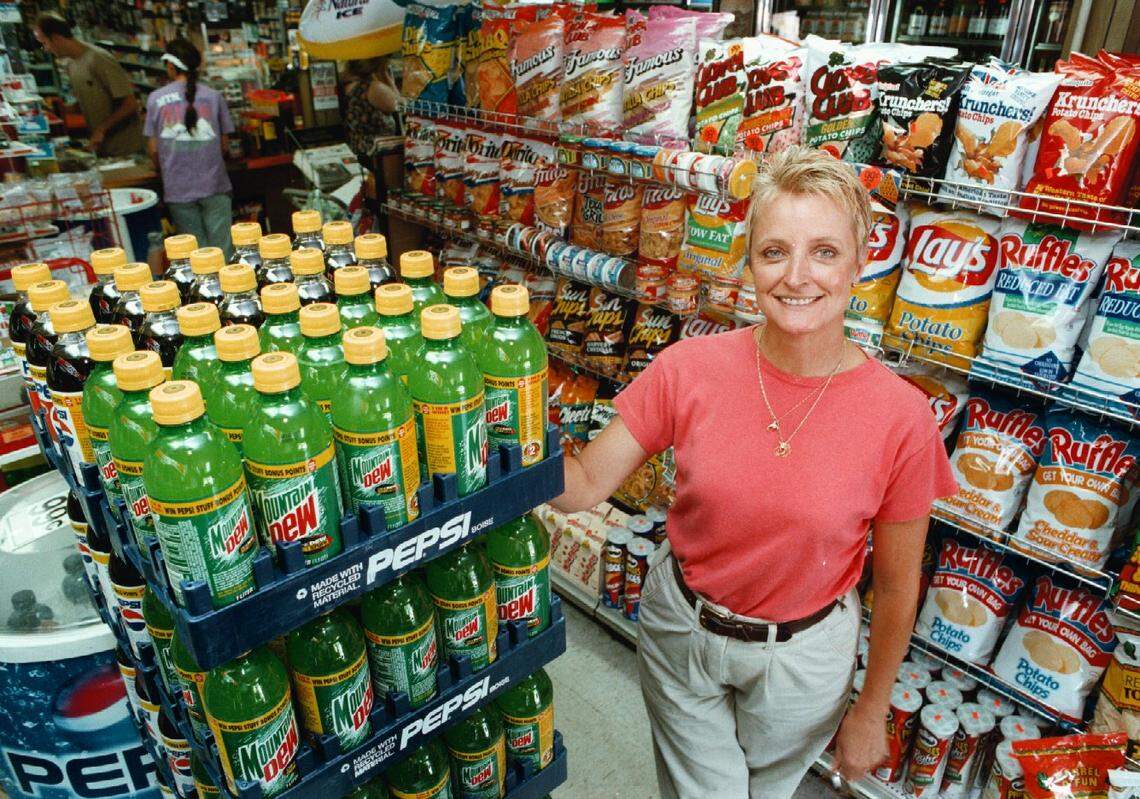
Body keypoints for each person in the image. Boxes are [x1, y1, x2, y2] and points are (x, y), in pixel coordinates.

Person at [553, 146, 957, 798]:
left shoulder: (903, 417)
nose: (798, 276)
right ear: (749, 262)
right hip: (682, 628)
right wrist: (487, 429)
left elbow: (898, 582)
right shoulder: (689, 367)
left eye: (824, 251)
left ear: (860, 262)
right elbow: (585, 486)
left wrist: (872, 708)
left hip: (805, 659)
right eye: (774, 252)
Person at [143, 38, 236, 255]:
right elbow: (224, 145)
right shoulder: (214, 97)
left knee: (197, 254)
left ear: (171, 66)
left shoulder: (155, 99)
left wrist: (163, 168)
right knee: (224, 249)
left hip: (178, 188)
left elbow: (154, 149)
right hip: (214, 184)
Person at [33, 13, 144, 157]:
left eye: (44, 43)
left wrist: (101, 129)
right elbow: (93, 101)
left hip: (126, 150)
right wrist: (62, 109)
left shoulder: (99, 59)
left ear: (56, 38)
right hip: (103, 150)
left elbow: (130, 104)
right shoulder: (71, 64)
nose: (45, 49)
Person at [340, 56, 400, 169]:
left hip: (360, 152)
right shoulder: (374, 88)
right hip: (379, 157)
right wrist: (389, 79)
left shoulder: (350, 86)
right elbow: (401, 106)